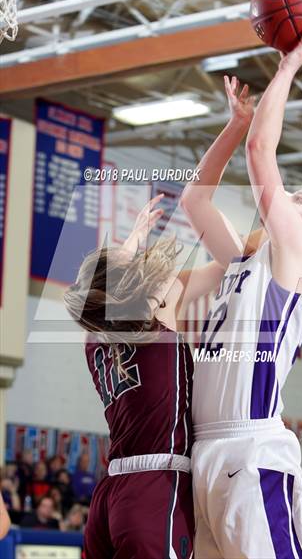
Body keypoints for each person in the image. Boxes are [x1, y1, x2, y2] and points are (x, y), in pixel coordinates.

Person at [181, 27, 302, 558]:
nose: (289, 191)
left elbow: (264, 153)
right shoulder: (242, 259)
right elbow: (196, 200)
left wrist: (288, 67)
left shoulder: (298, 259)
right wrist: (235, 126)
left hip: (252, 450)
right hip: (206, 456)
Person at [64, 195, 225, 558]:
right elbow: (223, 266)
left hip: (110, 493)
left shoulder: (94, 339)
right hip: (155, 486)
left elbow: (106, 297)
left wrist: (131, 244)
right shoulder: (158, 317)